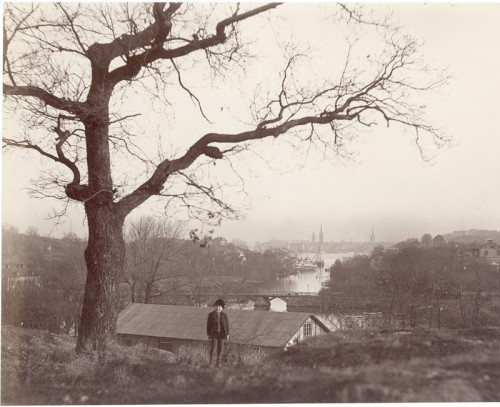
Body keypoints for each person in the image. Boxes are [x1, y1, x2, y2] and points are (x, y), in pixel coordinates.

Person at [206, 299, 229, 367]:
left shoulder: (224, 315)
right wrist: (209, 334)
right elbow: (208, 325)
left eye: (219, 307)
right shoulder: (211, 315)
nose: (218, 308)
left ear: (222, 308)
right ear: (215, 307)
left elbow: (227, 325)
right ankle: (211, 363)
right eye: (217, 306)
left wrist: (228, 334)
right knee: (213, 348)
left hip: (222, 334)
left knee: (221, 349)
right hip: (214, 334)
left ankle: (218, 363)